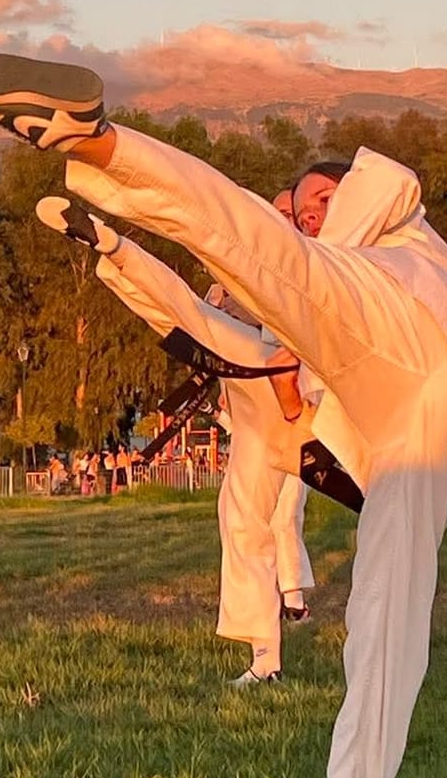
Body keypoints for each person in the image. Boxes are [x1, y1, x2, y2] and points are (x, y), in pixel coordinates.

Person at [0, 52, 447, 778]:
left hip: (419, 338)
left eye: (319, 198)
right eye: (307, 204)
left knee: (265, 248)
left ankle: (95, 141)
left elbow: (331, 212)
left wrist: (300, 221)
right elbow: (204, 315)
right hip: (397, 413)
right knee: (386, 599)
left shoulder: (395, 213)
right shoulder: (323, 262)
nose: (313, 210)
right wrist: (123, 256)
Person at [36, 189, 315, 684]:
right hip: (252, 390)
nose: (283, 219)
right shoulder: (246, 272)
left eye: (290, 213)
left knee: (280, 521)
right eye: (278, 213)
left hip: (303, 397)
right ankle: (265, 660)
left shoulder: (324, 261)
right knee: (242, 525)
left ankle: (116, 249)